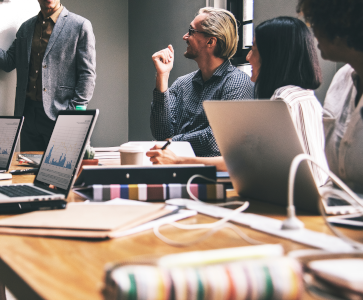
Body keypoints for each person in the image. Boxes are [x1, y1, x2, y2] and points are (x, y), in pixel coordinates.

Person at [147, 16, 329, 187]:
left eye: (254, 50)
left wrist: (177, 154)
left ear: (274, 57)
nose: (248, 58)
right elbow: (161, 133)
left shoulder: (284, 101)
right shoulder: (298, 97)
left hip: (300, 204)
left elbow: (243, 158)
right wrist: (162, 77)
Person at [0, 0, 96, 151]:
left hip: (61, 115)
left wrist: (72, 113)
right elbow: (7, 61)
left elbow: (87, 75)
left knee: (60, 171)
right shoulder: (26, 28)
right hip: (27, 115)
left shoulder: (80, 25)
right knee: (28, 171)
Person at [150, 7, 254, 158]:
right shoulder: (182, 84)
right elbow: (161, 133)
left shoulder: (237, 82)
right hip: (175, 171)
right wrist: (162, 76)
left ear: (211, 41)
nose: (185, 36)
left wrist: (173, 142)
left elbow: (217, 140)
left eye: (191, 31)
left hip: (212, 177)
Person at [297, 0, 363, 192]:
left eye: (315, 22)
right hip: (340, 212)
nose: (314, 32)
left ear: (341, 23)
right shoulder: (341, 80)